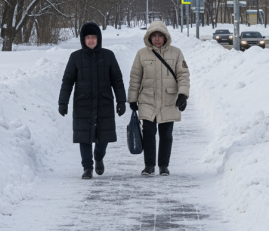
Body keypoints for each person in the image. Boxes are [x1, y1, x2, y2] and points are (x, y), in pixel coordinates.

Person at [58, 22, 126, 179]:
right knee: (84, 136)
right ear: (83, 39)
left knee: (104, 136)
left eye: (93, 37)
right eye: (87, 37)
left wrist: (121, 101)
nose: (90, 40)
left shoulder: (108, 56)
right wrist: (63, 102)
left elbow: (117, 79)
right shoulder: (75, 57)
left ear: (98, 38)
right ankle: (87, 167)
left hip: (104, 102)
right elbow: (67, 81)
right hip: (83, 103)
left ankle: (99, 156)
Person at [128, 21, 190, 176]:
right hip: (147, 99)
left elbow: (183, 75)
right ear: (149, 37)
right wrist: (132, 99)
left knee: (166, 134)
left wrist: (183, 94)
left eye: (160, 35)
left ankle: (163, 165)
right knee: (148, 133)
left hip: (168, 100)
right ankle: (149, 166)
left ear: (165, 37)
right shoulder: (142, 54)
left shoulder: (176, 53)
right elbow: (135, 77)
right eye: (153, 36)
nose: (157, 39)